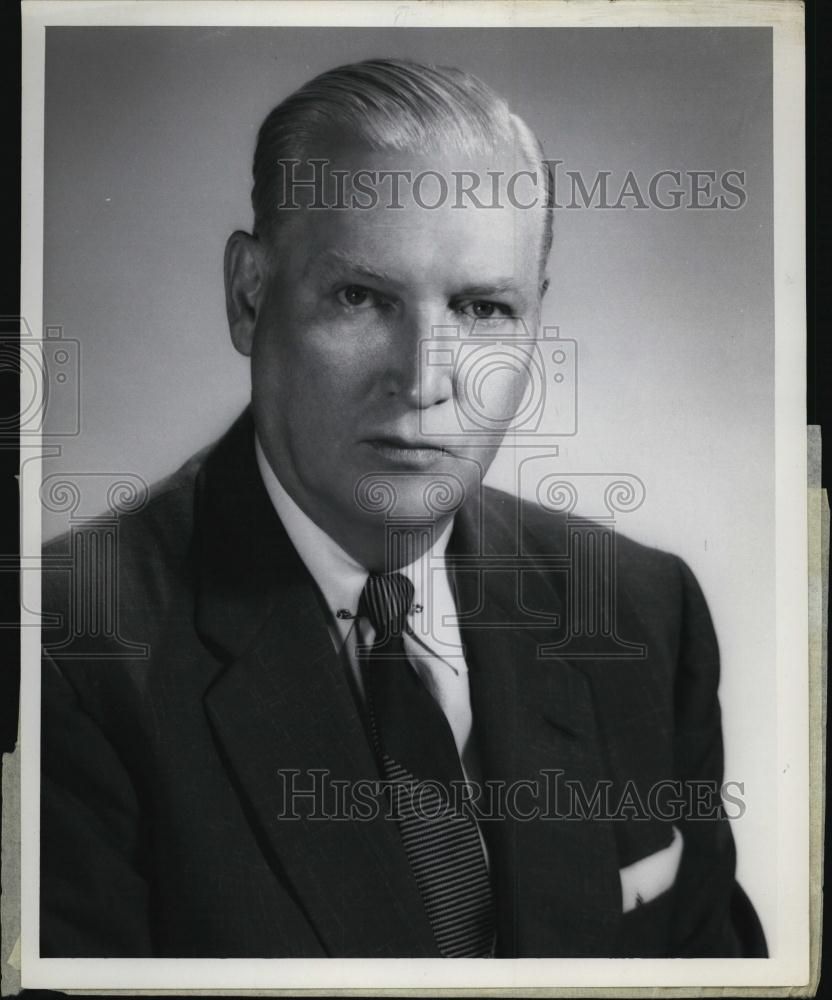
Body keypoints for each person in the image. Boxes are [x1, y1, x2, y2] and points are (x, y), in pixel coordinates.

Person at [40, 58, 766, 959]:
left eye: (483, 309)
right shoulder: (66, 650)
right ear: (247, 296)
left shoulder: (643, 614)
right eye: (360, 298)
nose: (426, 378)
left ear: (536, 319)